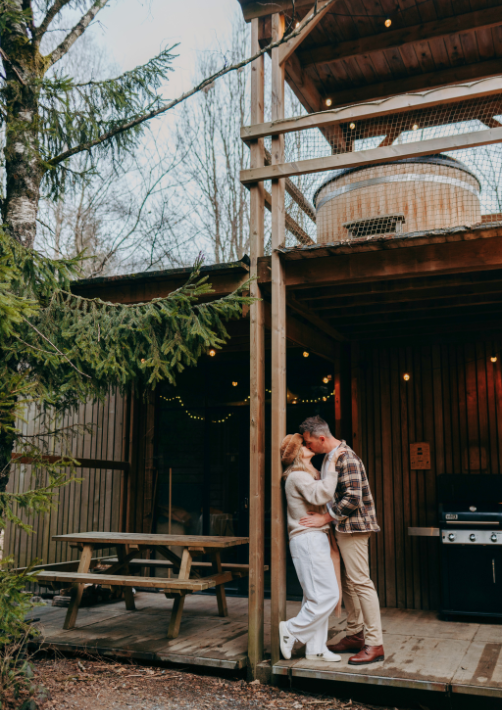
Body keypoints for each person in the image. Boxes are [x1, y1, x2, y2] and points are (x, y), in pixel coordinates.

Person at [298, 416, 385, 666]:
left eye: (309, 442)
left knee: (361, 582)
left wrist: (324, 518)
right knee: (347, 582)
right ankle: (356, 634)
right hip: (341, 527)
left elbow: (353, 499)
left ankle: (374, 643)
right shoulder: (328, 457)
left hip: (354, 528)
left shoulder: (346, 457)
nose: (308, 446)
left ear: (321, 438)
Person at [279, 433, 345, 663]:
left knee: (314, 597)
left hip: (314, 537)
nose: (309, 446)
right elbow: (322, 494)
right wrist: (334, 469)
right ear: (297, 453)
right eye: (303, 445)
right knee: (328, 595)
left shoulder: (308, 474)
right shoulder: (297, 476)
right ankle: (292, 629)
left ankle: (316, 649)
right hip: (307, 539)